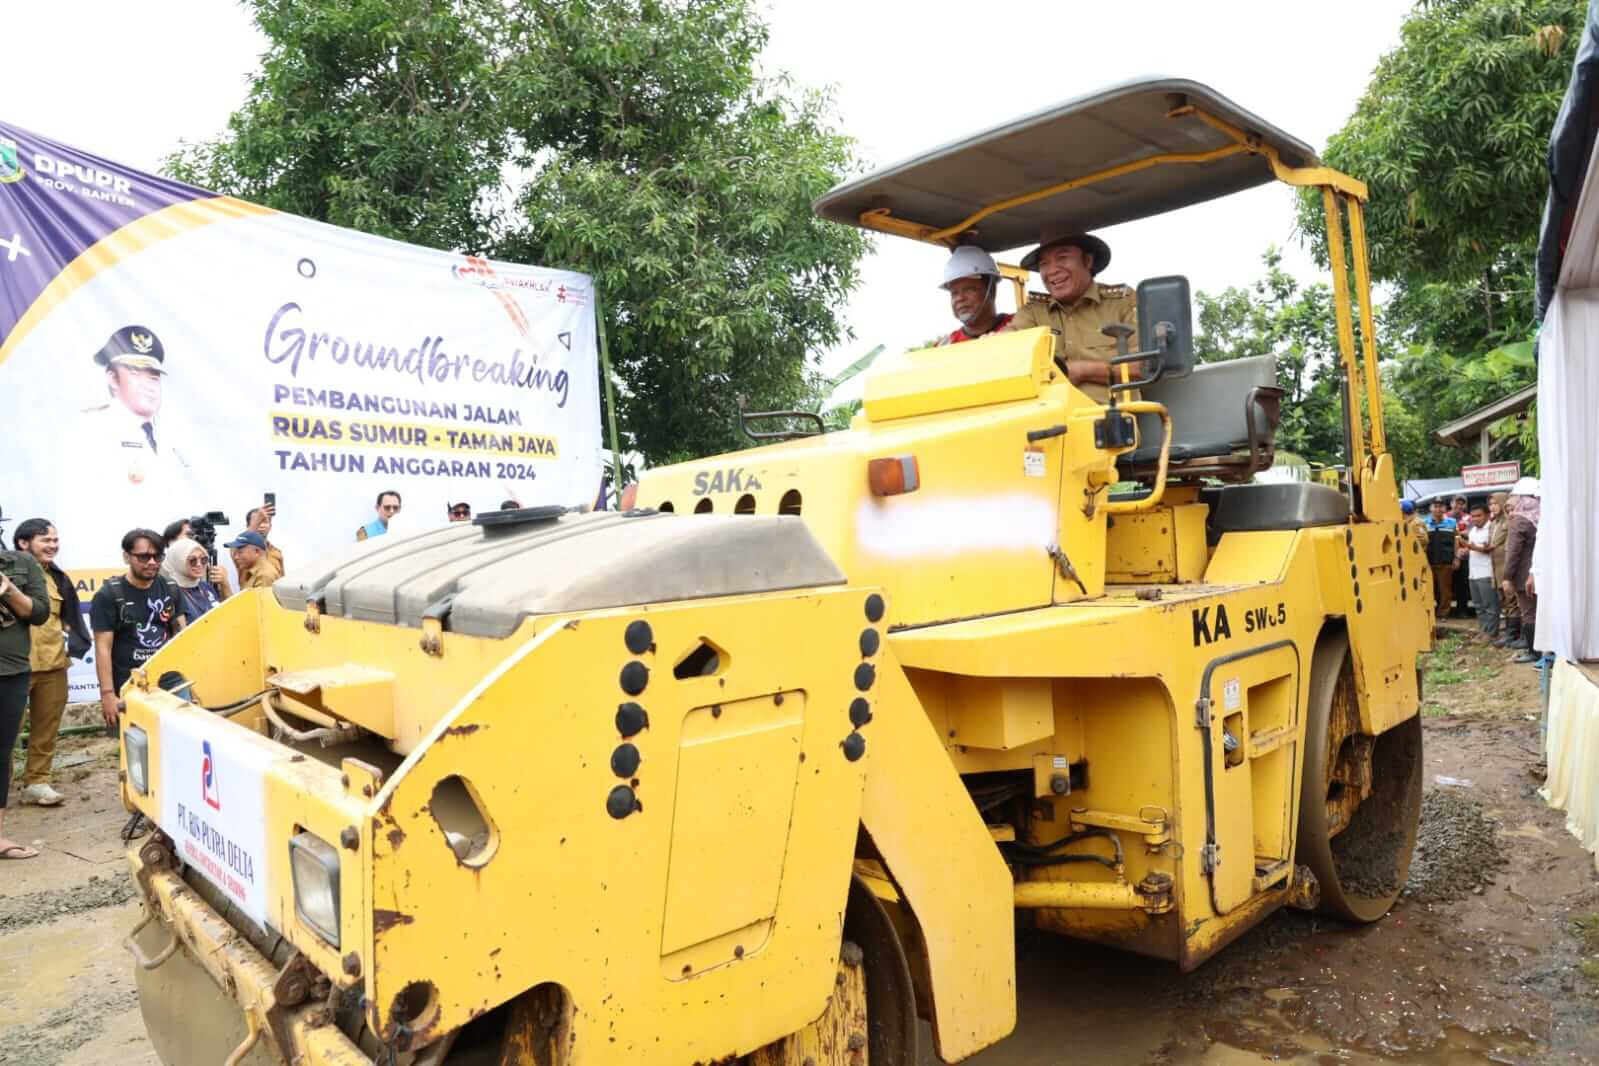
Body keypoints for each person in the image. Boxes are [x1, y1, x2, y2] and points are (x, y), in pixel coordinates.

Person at [1002, 227, 1137, 402]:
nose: (1052, 271)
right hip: (1046, 420)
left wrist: (1083, 371)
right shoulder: (1034, 311)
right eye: (1044, 263)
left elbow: (1144, 368)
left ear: (1088, 261)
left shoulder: (1122, 303)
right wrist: (994, 341)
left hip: (1112, 420)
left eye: (1062, 258)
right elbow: (1008, 341)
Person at [13, 519, 90, 808]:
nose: (53, 546)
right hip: (13, 667)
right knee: (6, 731)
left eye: (55, 540)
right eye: (46, 540)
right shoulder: (7, 574)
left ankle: (36, 782)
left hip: (53, 663)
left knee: (46, 728)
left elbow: (67, 618)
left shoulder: (57, 576)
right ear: (23, 543)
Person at [91, 529, 187, 732]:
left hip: (169, 680)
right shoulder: (109, 594)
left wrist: (189, 684)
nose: (152, 562)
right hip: (129, 683)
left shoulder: (170, 588)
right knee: (137, 748)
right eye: (144, 556)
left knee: (180, 738)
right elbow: (102, 649)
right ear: (126, 556)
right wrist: (107, 694)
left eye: (157, 556)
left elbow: (183, 637)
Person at [78, 325, 190, 488]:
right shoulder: (91, 430)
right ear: (113, 379)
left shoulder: (173, 431)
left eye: (153, 378)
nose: (149, 386)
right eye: (136, 374)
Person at [0, 510, 51, 859]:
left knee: (0, 754)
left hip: (10, 673)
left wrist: (8, 589)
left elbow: (40, 612)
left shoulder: (20, 563)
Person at [934, 247, 1013, 346]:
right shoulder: (944, 347)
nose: (960, 298)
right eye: (954, 293)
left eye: (969, 289)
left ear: (992, 290)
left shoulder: (1022, 326)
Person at [1501, 479, 1541, 664]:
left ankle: (1534, 651)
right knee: (1539, 611)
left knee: (1528, 613)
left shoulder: (1519, 520)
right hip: (1540, 572)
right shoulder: (1540, 517)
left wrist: (1507, 577)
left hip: (1524, 576)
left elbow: (1513, 552)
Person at [161, 537, 229, 622]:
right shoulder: (171, 593)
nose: (199, 564)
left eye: (204, 559)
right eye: (193, 560)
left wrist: (225, 584)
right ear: (178, 561)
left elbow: (228, 614)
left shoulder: (206, 587)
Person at [1488, 493, 1521, 648]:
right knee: (1504, 601)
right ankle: (1509, 632)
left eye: (1495, 503)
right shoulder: (1494, 522)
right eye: (1490, 504)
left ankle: (1513, 634)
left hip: (1507, 566)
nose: (1493, 506)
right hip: (1496, 567)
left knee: (1512, 601)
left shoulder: (1509, 521)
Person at [1462, 503, 1498, 642]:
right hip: (1473, 573)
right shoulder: (1472, 531)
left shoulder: (1491, 529)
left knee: (1490, 606)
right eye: (1473, 516)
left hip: (1487, 572)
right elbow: (1473, 548)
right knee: (1478, 605)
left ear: (1487, 515)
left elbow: (1490, 549)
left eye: (1478, 516)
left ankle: (1492, 633)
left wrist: (1471, 546)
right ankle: (1484, 631)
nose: (1475, 519)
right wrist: (1466, 550)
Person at [1422, 498, 1458, 621]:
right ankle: (1431, 613)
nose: (1438, 509)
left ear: (1445, 508)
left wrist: (1456, 558)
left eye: (1440, 506)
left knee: (1445, 590)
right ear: (1430, 508)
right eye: (1435, 506)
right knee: (1429, 589)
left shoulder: (1452, 522)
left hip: (1446, 562)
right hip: (1428, 562)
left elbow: (1456, 541)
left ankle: (1443, 614)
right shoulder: (1424, 523)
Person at [244, 504, 285, 574]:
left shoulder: (277, 553)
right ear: (248, 526)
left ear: (270, 526)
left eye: (265, 522)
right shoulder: (241, 550)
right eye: (258, 522)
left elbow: (282, 581)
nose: (262, 526)